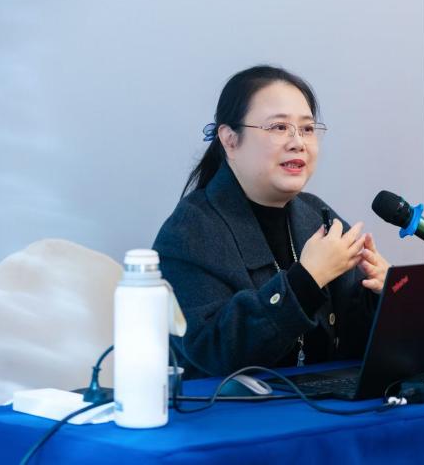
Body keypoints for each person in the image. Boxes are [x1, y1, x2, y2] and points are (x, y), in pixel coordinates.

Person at [153, 65, 390, 377]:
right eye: (279, 127)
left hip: (319, 401)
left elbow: (352, 349)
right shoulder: (189, 231)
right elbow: (214, 352)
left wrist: (382, 296)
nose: (298, 142)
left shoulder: (318, 215)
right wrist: (306, 280)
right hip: (228, 407)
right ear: (230, 140)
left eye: (307, 129)